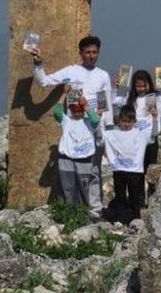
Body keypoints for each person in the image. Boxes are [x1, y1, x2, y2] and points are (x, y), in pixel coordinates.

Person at [30, 35, 111, 215]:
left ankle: (95, 209)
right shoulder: (71, 71)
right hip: (74, 127)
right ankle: (73, 209)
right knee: (73, 173)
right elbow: (45, 82)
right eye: (88, 52)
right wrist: (38, 64)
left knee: (95, 171)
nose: (91, 55)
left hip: (94, 126)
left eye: (94, 52)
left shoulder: (103, 75)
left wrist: (105, 129)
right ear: (80, 53)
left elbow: (104, 105)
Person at [114, 70, 161, 185]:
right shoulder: (129, 98)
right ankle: (138, 200)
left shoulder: (158, 97)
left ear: (149, 84)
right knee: (136, 174)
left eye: (144, 85)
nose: (141, 88)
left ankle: (151, 198)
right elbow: (111, 101)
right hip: (134, 143)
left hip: (151, 142)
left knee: (152, 173)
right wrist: (115, 87)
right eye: (138, 86)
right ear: (134, 86)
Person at [102, 104, 158, 224]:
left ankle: (135, 219)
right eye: (124, 121)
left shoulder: (140, 133)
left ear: (134, 121)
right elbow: (101, 135)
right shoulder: (113, 133)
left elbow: (153, 134)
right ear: (119, 120)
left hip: (135, 172)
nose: (126, 124)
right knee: (120, 196)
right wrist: (99, 117)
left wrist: (154, 118)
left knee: (134, 196)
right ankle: (121, 219)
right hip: (119, 170)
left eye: (129, 121)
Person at [52, 88, 101, 207]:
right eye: (74, 110)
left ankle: (85, 212)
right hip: (66, 159)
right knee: (68, 187)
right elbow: (57, 112)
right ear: (70, 110)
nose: (77, 113)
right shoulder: (66, 121)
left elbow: (96, 119)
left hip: (84, 160)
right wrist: (64, 94)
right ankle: (70, 212)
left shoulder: (89, 122)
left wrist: (86, 105)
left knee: (84, 188)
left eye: (79, 110)